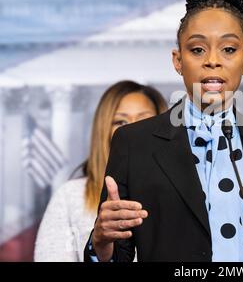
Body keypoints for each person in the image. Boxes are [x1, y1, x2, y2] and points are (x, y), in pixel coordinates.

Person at [84, 0, 243, 262]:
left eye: (229, 49)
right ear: (178, 60)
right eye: (198, 49)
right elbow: (117, 255)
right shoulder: (134, 143)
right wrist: (101, 241)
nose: (213, 61)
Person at [34, 81, 167, 261]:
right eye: (120, 121)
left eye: (144, 120)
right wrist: (99, 245)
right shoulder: (70, 196)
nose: (133, 130)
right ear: (103, 130)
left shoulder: (188, 191)